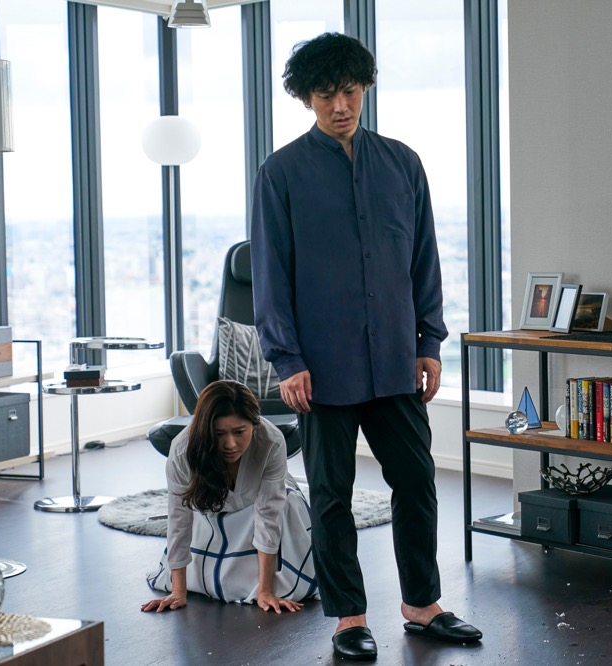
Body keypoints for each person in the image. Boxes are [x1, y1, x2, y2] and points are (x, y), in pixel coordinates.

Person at [250, 32, 482, 661]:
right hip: (322, 371)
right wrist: (287, 360)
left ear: (365, 89)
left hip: (395, 363)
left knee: (417, 483)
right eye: (326, 94)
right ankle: (349, 617)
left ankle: (422, 605)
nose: (340, 105)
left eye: (350, 92)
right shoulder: (281, 173)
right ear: (306, 98)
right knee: (332, 496)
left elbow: (423, 260)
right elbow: (271, 276)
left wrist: (429, 342)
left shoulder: (403, 163)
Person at [142, 380, 317, 614]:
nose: (230, 444)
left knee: (287, 502)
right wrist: (178, 591)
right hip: (211, 515)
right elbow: (179, 519)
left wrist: (265, 591)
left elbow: (269, 514)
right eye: (219, 434)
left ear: (254, 425)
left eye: (239, 432)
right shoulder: (182, 450)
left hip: (263, 512)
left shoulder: (272, 441)